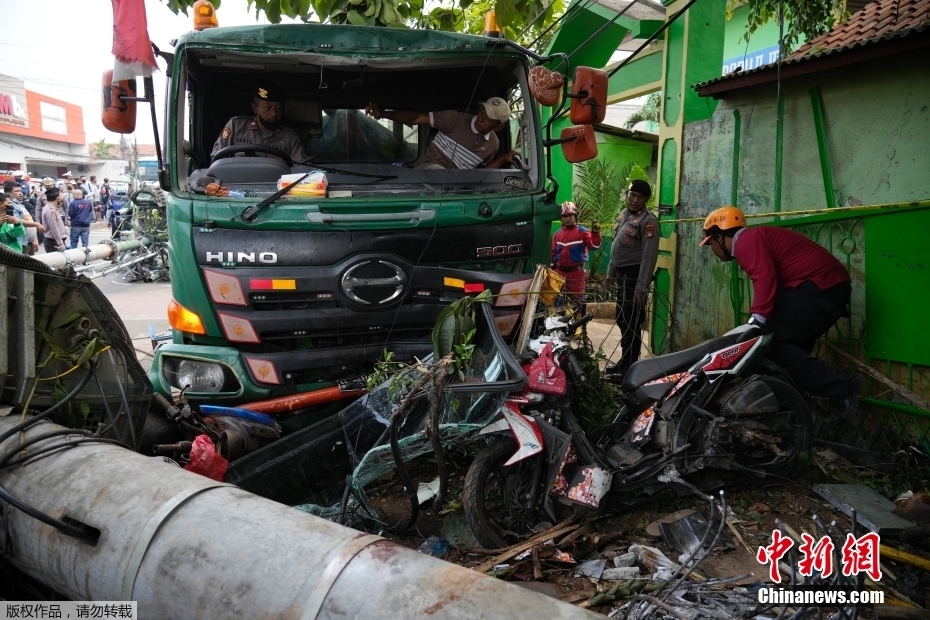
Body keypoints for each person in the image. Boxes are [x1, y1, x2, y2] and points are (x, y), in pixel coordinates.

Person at [700, 206, 862, 420]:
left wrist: (756, 321)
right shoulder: (755, 238)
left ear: (719, 237)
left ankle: (842, 385)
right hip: (827, 289)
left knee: (768, 343)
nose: (712, 249)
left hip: (819, 287)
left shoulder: (746, 239)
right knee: (787, 354)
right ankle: (793, 412)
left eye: (710, 243)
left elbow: (764, 277)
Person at [364, 98, 518, 169]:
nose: (481, 118)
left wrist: (503, 159)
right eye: (481, 111)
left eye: (488, 118)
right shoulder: (454, 118)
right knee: (440, 174)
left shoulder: (493, 144)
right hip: (431, 168)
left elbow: (483, 172)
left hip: (458, 186)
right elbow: (417, 117)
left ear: (498, 127)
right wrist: (383, 114)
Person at [605, 180, 660, 378]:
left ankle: (630, 369)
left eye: (640, 197)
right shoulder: (624, 215)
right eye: (632, 195)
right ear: (627, 194)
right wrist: (611, 272)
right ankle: (624, 362)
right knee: (622, 318)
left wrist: (641, 286)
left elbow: (649, 256)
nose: (635, 200)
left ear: (646, 200)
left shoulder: (649, 221)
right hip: (621, 275)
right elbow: (615, 246)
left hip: (634, 275)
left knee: (631, 321)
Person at [211, 84, 307, 163]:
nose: (273, 113)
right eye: (268, 108)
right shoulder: (236, 126)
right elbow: (217, 157)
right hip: (237, 182)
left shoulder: (290, 137)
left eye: (278, 108)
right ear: (255, 108)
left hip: (275, 184)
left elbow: (301, 168)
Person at [551, 201, 601, 303]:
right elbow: (553, 253)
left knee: (578, 303)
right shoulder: (557, 235)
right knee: (556, 301)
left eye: (570, 215)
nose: (567, 218)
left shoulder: (583, 232)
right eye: (564, 216)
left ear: (575, 215)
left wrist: (595, 234)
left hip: (576, 274)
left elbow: (594, 246)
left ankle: (579, 318)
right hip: (559, 273)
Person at [40, 187, 67, 253]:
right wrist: (60, 243)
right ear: (58, 198)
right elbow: (54, 228)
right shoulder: (50, 210)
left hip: (55, 241)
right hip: (54, 243)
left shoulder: (51, 208)